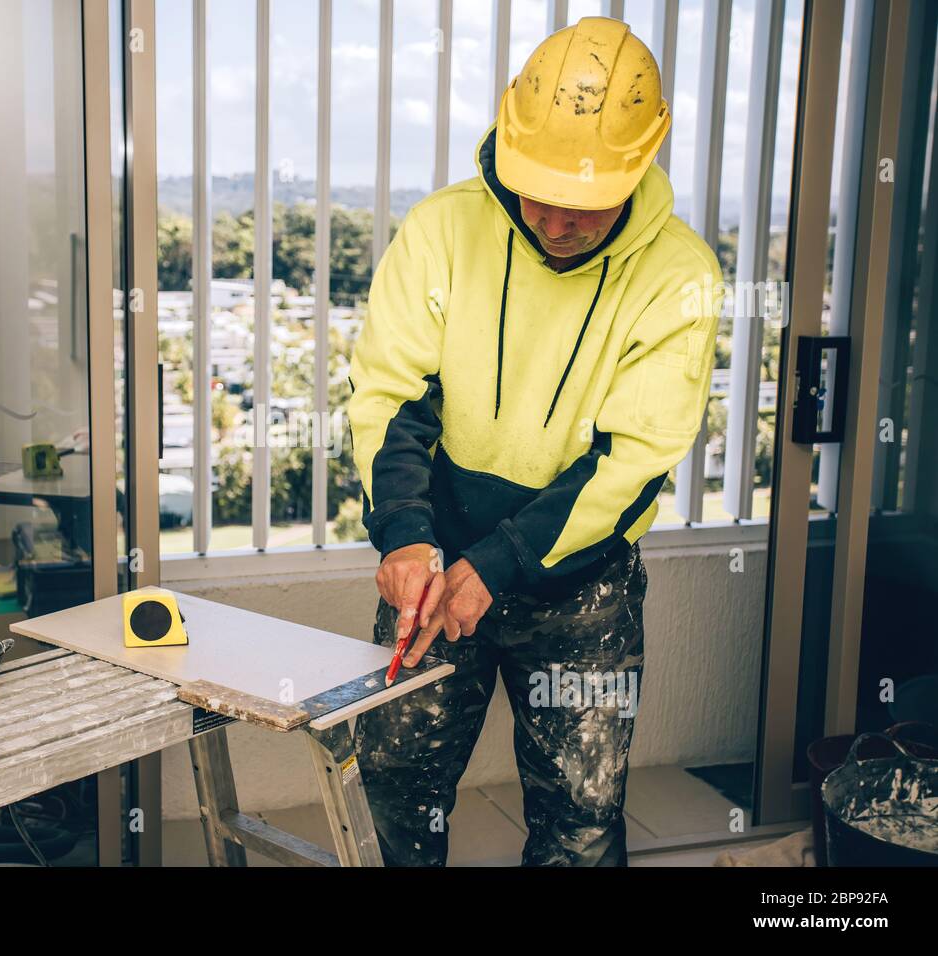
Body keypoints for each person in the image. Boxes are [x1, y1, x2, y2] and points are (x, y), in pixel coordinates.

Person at [346, 16, 723, 866]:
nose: (554, 222)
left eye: (583, 205)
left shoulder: (681, 276)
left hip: (582, 595)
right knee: (398, 785)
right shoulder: (443, 231)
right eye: (536, 192)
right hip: (435, 568)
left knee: (580, 820)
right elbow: (390, 395)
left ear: (642, 163)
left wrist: (505, 562)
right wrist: (406, 533)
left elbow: (633, 460)